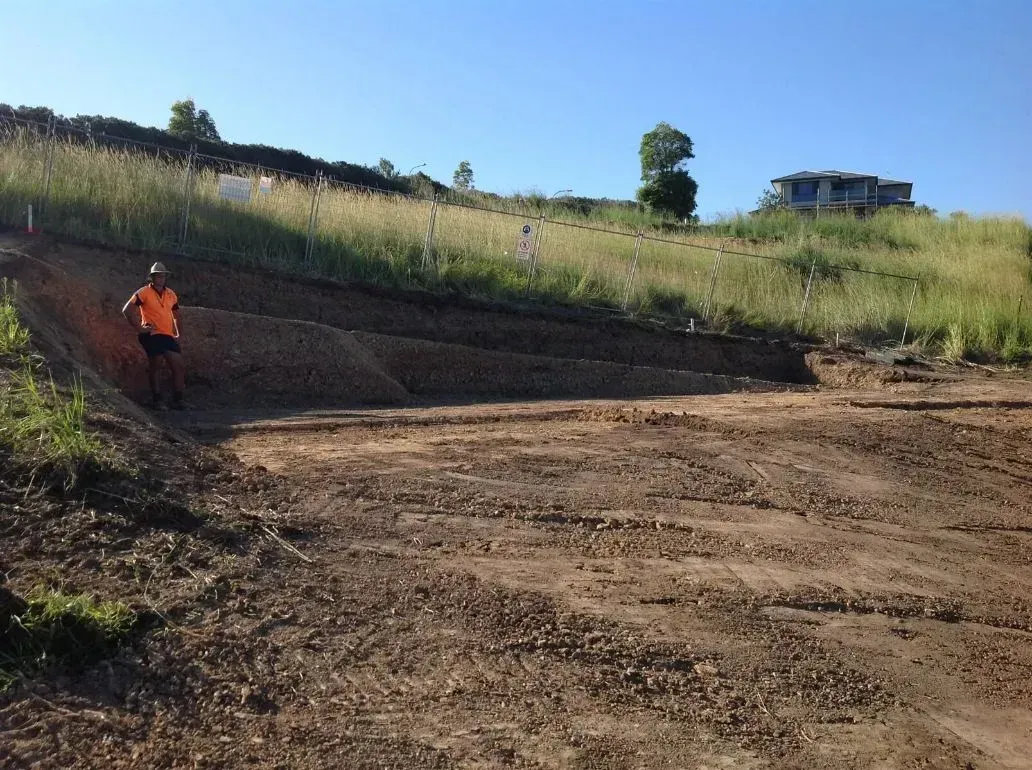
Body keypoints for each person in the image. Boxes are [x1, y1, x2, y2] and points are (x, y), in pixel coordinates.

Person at [121, 262, 186, 410]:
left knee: (179, 365)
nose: (161, 278)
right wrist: (139, 328)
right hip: (151, 334)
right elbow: (127, 310)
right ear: (152, 277)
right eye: (158, 275)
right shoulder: (144, 292)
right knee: (155, 366)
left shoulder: (171, 294)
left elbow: (177, 315)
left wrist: (179, 333)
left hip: (167, 335)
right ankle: (157, 400)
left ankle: (179, 399)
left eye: (163, 275)